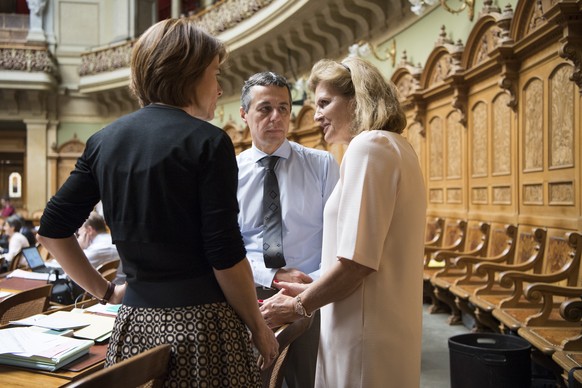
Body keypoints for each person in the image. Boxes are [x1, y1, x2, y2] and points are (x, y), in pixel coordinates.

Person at [36, 18, 278, 387]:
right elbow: (224, 253)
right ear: (190, 73)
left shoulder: (104, 141)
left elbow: (52, 231)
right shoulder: (209, 142)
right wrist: (257, 326)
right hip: (203, 329)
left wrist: (104, 292)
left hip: (133, 326)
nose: (219, 87)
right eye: (214, 73)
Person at [260, 57, 427, 388]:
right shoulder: (397, 146)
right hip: (381, 321)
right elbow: (374, 253)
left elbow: (356, 263)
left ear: (358, 98)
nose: (317, 115)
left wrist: (297, 305)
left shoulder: (369, 147)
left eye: (324, 102)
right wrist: (313, 288)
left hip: (362, 331)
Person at [237, 71, 340, 388]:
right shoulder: (228, 172)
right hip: (249, 295)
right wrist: (273, 276)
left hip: (310, 296)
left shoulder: (322, 164)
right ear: (244, 114)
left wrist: (313, 288)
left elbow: (338, 238)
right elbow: (226, 248)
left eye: (283, 108)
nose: (276, 117)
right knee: (252, 379)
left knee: (305, 379)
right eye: (265, 108)